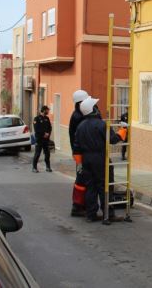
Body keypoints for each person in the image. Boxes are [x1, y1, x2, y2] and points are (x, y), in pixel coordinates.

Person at [75, 97, 123, 223]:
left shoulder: (80, 126)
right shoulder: (101, 125)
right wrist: (122, 132)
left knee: (90, 187)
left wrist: (79, 163)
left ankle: (91, 215)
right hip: (100, 159)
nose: (98, 108)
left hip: (86, 160)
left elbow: (76, 147)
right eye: (96, 106)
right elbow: (112, 139)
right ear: (93, 109)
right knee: (104, 186)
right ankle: (108, 214)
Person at [69, 89, 89, 217]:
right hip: (81, 154)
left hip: (79, 153)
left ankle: (81, 204)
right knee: (81, 180)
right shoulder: (78, 117)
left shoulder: (77, 115)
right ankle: (77, 206)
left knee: (82, 179)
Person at [32, 105, 52, 173]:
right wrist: (44, 134)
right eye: (47, 110)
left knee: (47, 154)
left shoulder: (47, 118)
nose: (48, 111)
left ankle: (48, 167)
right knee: (37, 154)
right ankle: (34, 167)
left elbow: (50, 127)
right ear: (44, 110)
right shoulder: (36, 119)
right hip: (39, 139)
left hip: (46, 140)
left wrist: (48, 134)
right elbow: (36, 129)